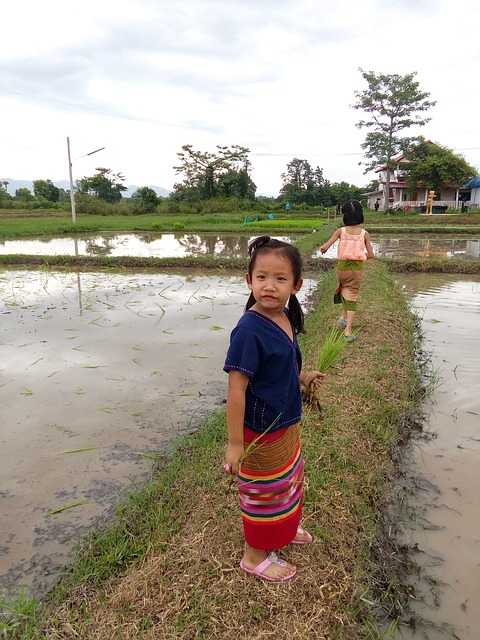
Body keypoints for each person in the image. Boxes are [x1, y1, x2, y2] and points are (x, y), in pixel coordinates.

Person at [223, 236, 325, 582]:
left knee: (288, 482)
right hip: (260, 430)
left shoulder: (284, 317)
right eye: (261, 277)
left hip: (284, 423)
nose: (269, 286)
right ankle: (254, 556)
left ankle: (283, 532)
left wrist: (303, 377)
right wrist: (235, 444)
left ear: (296, 285)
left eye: (280, 279)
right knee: (263, 493)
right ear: (248, 280)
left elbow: (279, 369)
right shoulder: (249, 330)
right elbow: (236, 389)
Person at [320, 201, 374, 343]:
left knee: (344, 290)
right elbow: (371, 254)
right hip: (356, 270)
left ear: (345, 216)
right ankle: (348, 332)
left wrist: (323, 249)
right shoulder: (364, 234)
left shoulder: (340, 231)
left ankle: (343, 317)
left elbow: (326, 246)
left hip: (341, 268)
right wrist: (362, 258)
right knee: (352, 297)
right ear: (360, 215)